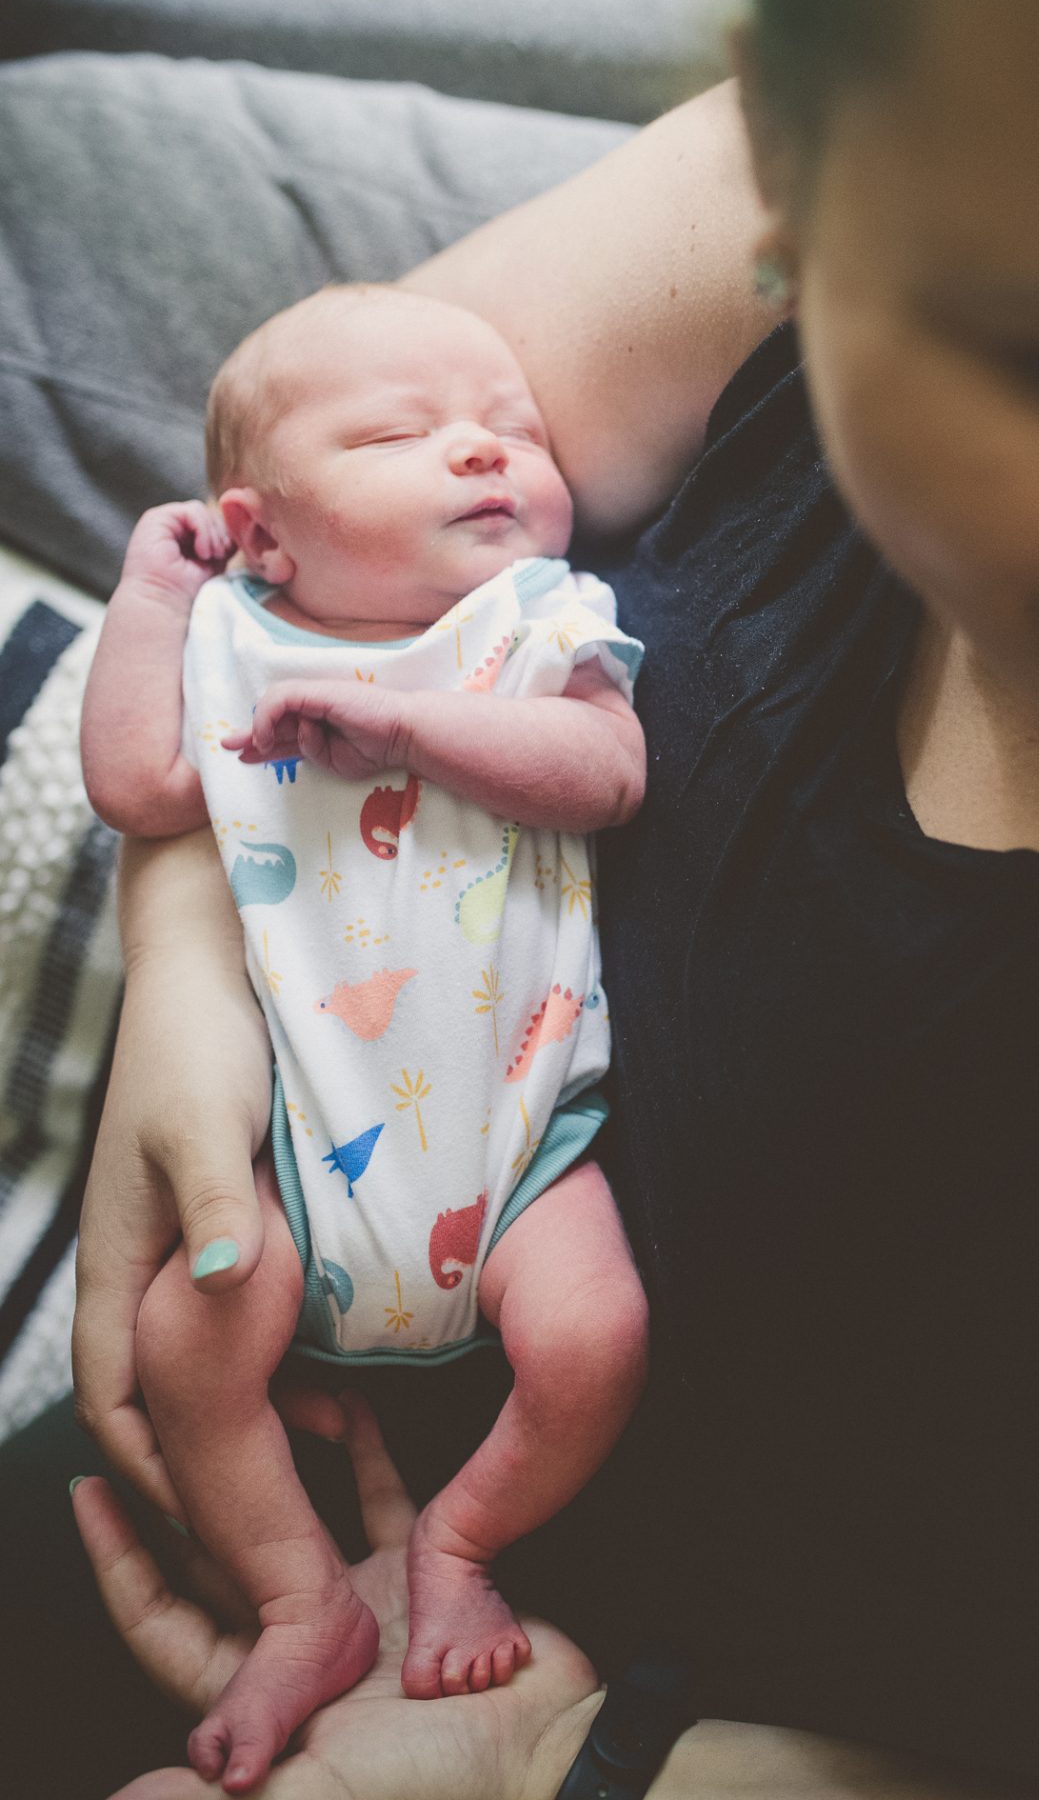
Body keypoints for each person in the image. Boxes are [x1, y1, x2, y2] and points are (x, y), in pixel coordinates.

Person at [9, 0, 1039, 1793]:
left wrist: (578, 1764)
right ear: (797, 156)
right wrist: (200, 955)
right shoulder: (820, 145)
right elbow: (285, 514)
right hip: (254, 1484)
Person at [77, 285, 649, 1791]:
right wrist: (151, 605)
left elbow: (603, 772)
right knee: (185, 1339)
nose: (482, 452)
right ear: (260, 533)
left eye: (511, 433)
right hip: (294, 1168)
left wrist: (413, 732)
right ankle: (299, 1602)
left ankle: (460, 1541)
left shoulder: (533, 625)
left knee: (595, 1339)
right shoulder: (229, 645)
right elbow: (142, 790)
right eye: (408, 433)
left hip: (521, 1148)